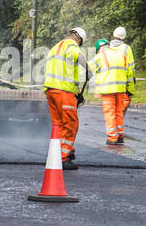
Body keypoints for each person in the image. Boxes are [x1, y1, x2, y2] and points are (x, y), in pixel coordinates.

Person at [43, 27, 88, 168]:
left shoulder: (55, 47)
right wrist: (89, 71)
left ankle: (59, 154)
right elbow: (79, 58)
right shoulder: (72, 45)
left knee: (58, 125)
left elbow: (64, 70)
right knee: (70, 123)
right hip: (64, 91)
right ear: (79, 39)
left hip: (51, 90)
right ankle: (63, 158)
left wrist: (78, 91)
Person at [92, 36, 134, 144]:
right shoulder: (122, 55)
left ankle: (112, 138)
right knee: (118, 112)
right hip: (121, 89)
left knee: (109, 113)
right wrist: (130, 90)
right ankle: (120, 135)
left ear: (99, 49)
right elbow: (130, 74)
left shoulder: (101, 56)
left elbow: (88, 70)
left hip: (107, 90)